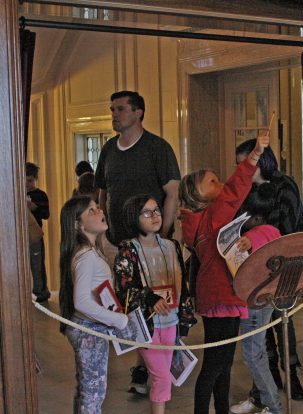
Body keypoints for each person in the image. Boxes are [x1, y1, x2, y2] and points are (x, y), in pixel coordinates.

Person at [95, 90, 181, 393]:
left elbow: (172, 193)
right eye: (112, 109)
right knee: (128, 302)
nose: (115, 114)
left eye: (120, 109)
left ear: (138, 112)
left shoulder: (158, 148)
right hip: (117, 242)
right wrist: (103, 232)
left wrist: (163, 235)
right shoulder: (109, 149)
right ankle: (144, 363)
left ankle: (151, 369)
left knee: (153, 303)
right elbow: (103, 193)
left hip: (150, 243)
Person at [178, 133, 269, 414]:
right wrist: (254, 156)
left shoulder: (196, 221)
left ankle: (221, 409)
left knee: (223, 363)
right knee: (216, 364)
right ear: (197, 195)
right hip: (221, 294)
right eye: (212, 182)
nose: (220, 185)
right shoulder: (213, 215)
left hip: (216, 294)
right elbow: (234, 190)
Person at [232, 140, 303, 405]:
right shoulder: (246, 188)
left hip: (284, 263)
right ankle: (268, 377)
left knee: (283, 320)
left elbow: (288, 228)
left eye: (247, 162)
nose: (242, 168)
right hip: (256, 267)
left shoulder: (285, 185)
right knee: (259, 325)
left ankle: (292, 375)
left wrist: (261, 236)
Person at [58, 196, 131, 413]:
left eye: (97, 208)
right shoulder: (86, 256)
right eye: (91, 210)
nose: (100, 212)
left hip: (89, 328)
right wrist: (119, 320)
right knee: (93, 392)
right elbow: (81, 301)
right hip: (88, 329)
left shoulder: (89, 251)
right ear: (78, 225)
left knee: (88, 389)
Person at [113, 195, 185, 414]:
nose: (154, 216)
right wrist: (149, 298)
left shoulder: (171, 246)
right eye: (146, 212)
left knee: (163, 377)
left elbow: (181, 282)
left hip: (171, 320)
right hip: (146, 325)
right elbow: (123, 287)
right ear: (134, 217)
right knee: (161, 375)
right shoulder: (128, 250)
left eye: (156, 210)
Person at [230, 183, 283, 414]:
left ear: (257, 217)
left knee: (253, 355)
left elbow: (255, 243)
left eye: (246, 215)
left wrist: (247, 241)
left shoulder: (253, 235)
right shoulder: (274, 230)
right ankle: (260, 399)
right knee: (258, 351)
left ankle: (273, 406)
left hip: (254, 301)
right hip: (267, 300)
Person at [26, 162, 51, 303]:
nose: (27, 184)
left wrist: (34, 208)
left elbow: (46, 214)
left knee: (37, 265)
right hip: (19, 237)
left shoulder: (41, 195)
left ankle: (40, 293)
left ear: (35, 179)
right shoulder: (16, 192)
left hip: (34, 236)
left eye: (30, 181)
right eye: (24, 181)